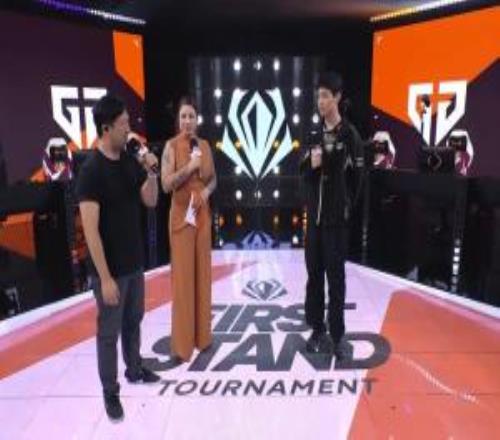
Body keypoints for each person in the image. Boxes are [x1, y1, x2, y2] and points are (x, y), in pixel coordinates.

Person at [76, 94, 161, 422]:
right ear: (106, 128)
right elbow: (90, 231)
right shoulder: (91, 171)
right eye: (124, 124)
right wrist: (105, 278)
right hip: (109, 271)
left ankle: (134, 368)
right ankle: (110, 391)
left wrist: (151, 172)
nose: (129, 128)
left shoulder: (129, 160)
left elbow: (150, 201)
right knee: (108, 332)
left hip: (134, 263)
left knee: (133, 321)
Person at [299, 72, 364, 358]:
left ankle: (337, 335)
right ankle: (317, 329)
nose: (321, 101)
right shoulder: (312, 134)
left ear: (337, 97)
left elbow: (358, 179)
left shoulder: (350, 135)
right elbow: (301, 172)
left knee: (336, 280)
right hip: (314, 222)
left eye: (325, 96)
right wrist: (310, 165)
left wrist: (346, 205)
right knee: (314, 276)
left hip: (337, 222)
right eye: (318, 96)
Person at [161, 96, 217, 362]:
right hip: (181, 216)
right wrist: (189, 168)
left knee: (203, 276)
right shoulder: (171, 146)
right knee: (183, 280)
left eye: (191, 116)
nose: (187, 121)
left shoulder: (204, 145)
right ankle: (182, 346)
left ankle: (203, 338)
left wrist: (206, 192)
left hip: (202, 214)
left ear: (197, 119)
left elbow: (213, 179)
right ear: (178, 119)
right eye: (183, 116)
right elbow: (166, 184)